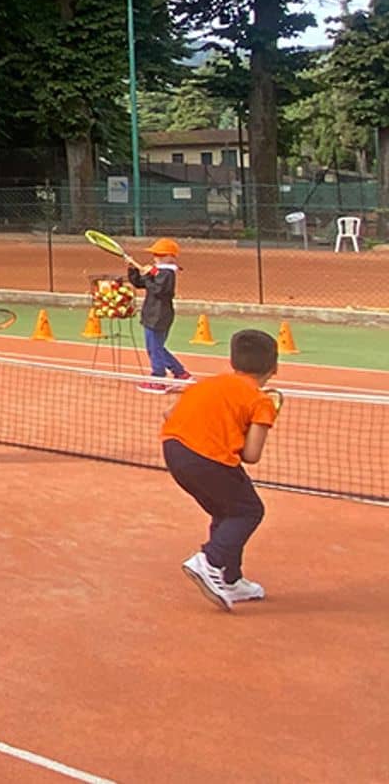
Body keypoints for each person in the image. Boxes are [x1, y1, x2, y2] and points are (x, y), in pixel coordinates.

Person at [162, 328, 280, 611]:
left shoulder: (205, 384)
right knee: (248, 510)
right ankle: (210, 560)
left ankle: (231, 578)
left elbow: (169, 414)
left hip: (174, 451)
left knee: (227, 512)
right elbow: (251, 455)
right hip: (207, 459)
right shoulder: (261, 401)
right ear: (275, 367)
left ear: (232, 361)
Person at [125, 238, 190, 389]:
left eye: (160, 255)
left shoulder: (167, 274)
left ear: (170, 257)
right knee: (156, 348)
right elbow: (140, 283)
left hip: (159, 316)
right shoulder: (158, 271)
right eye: (155, 254)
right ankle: (180, 373)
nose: (156, 257)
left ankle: (159, 379)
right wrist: (132, 270)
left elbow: (159, 290)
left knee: (155, 349)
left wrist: (148, 275)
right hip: (152, 315)